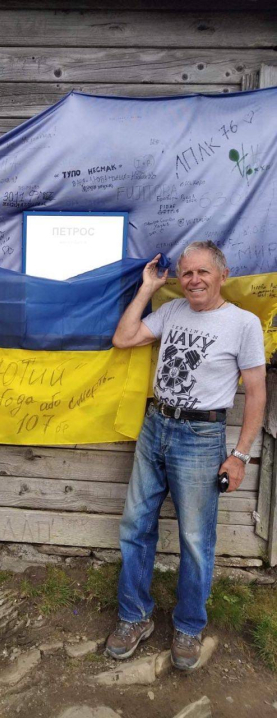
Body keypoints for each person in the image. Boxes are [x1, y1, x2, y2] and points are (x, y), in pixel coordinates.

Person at [105, 240, 266, 670]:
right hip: (156, 424)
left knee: (196, 540)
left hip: (200, 435)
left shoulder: (244, 323)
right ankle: (134, 617)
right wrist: (145, 289)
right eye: (186, 273)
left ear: (222, 275)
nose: (193, 280)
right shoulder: (173, 311)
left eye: (202, 272)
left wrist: (240, 455)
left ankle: (190, 625)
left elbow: (256, 392)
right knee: (135, 526)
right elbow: (123, 339)